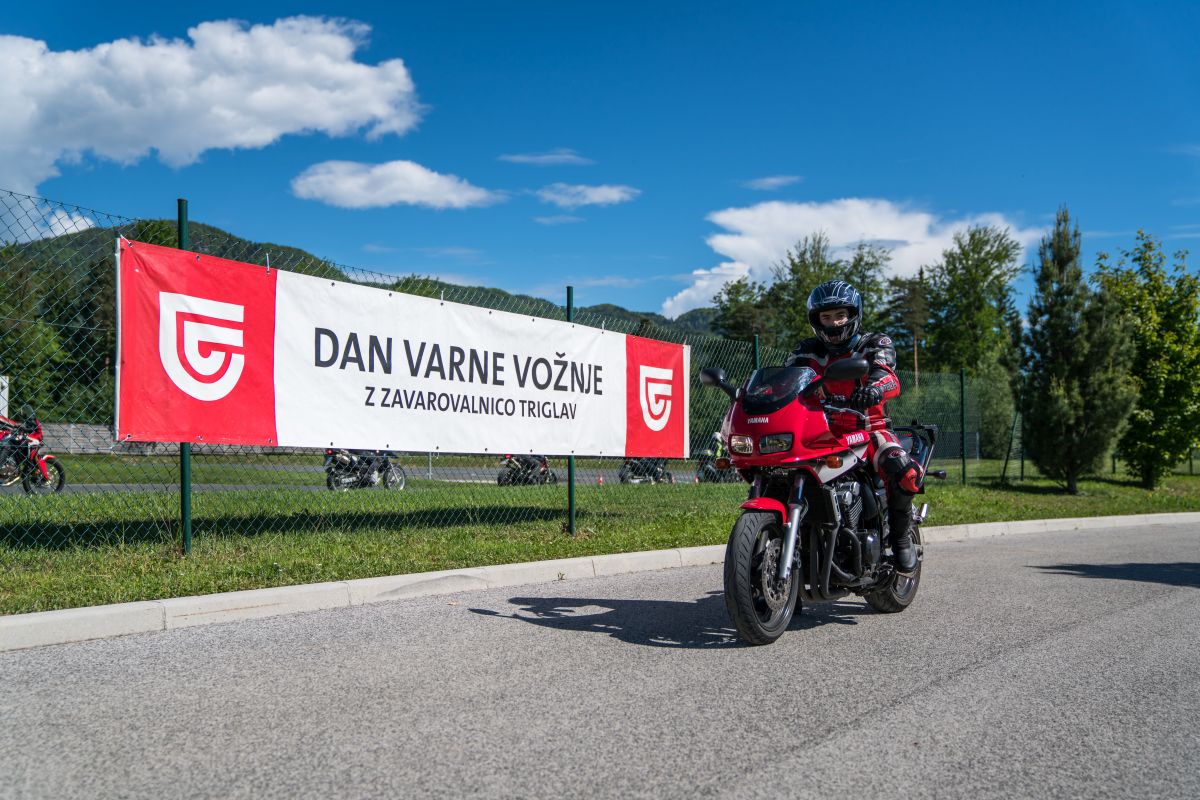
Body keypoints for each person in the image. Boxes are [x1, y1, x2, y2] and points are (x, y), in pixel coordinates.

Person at [784, 280, 921, 571]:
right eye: (826, 316)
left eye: (840, 315)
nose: (834, 323)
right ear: (816, 320)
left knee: (903, 469)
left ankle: (901, 540)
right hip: (822, 432)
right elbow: (787, 382)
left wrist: (874, 389)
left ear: (853, 314)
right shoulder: (806, 350)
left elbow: (888, 376)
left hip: (870, 429)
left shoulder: (874, 343)